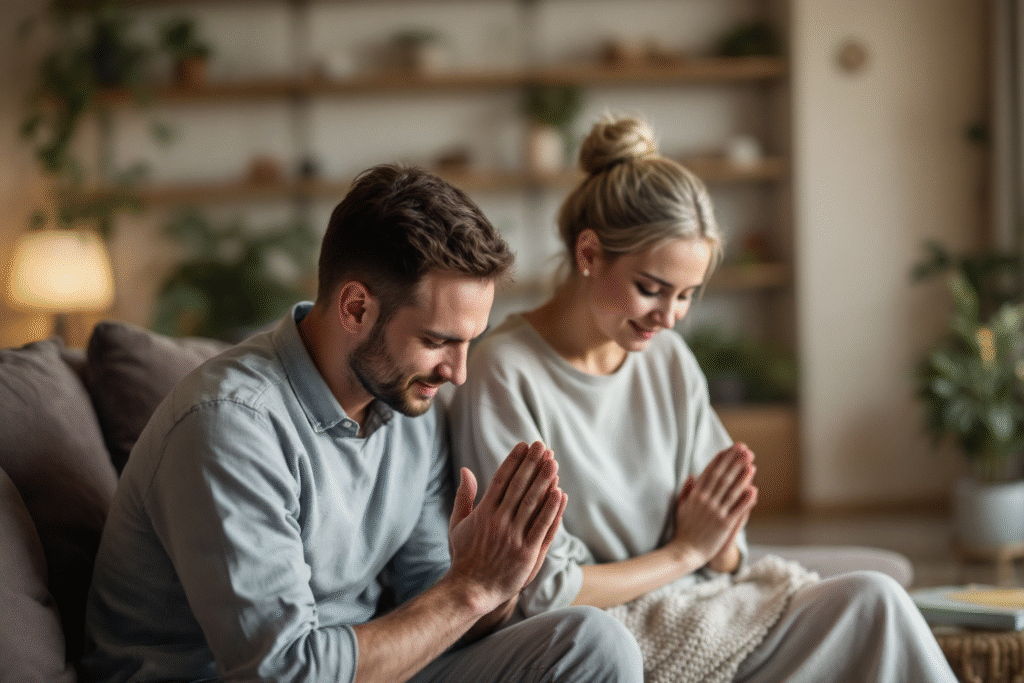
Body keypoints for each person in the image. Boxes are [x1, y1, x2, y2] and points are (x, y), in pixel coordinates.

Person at [81, 164, 644, 683]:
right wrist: (468, 591)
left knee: (593, 643)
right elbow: (282, 672)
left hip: (359, 669)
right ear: (355, 308)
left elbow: (433, 605)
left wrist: (500, 578)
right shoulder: (229, 426)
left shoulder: (407, 404)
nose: (458, 373)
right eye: (437, 341)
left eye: (468, 342)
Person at [449, 118, 957, 682]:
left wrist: (718, 548)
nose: (669, 318)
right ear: (589, 253)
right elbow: (545, 591)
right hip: (607, 635)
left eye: (687, 295)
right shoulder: (504, 372)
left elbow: (727, 548)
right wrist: (685, 553)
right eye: (651, 289)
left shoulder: (666, 359)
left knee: (875, 598)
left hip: (702, 606)